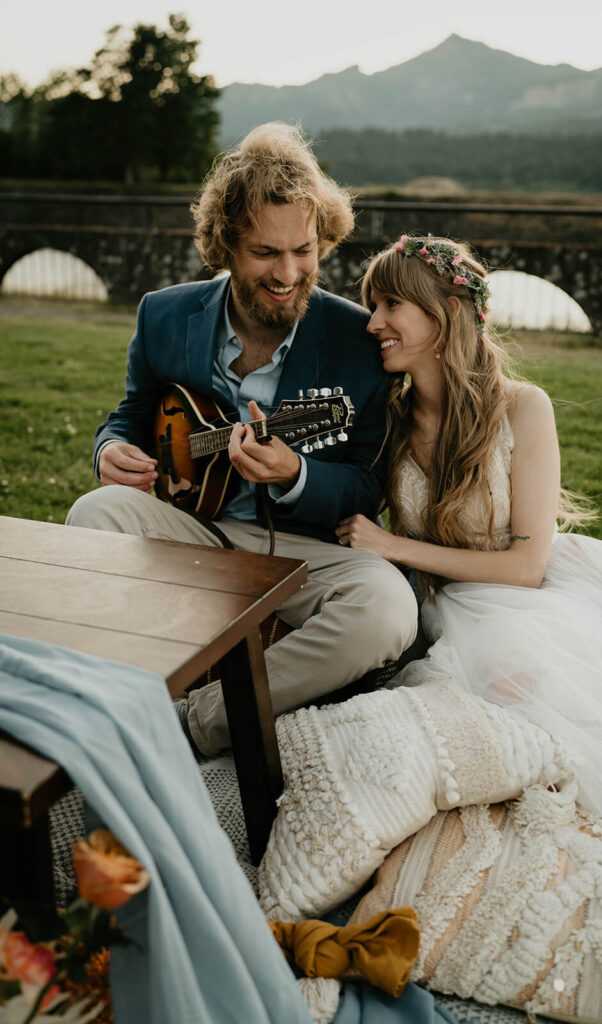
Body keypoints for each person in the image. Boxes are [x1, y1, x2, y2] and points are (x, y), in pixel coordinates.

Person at [67, 124, 417, 756]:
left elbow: (369, 481)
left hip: (298, 549)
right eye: (265, 253)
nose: (289, 274)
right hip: (191, 528)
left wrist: (294, 474)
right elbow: (131, 413)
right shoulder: (164, 314)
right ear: (224, 246)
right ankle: (122, 686)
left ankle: (195, 721)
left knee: (387, 608)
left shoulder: (356, 340)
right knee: (93, 513)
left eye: (304, 250)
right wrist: (109, 450)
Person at [335, 233, 602, 841]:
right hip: (443, 603)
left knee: (562, 716)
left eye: (391, 304)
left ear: (443, 316)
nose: (373, 323)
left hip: (531, 593)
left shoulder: (525, 408)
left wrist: (392, 546)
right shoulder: (386, 417)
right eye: (373, 305)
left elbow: (528, 565)